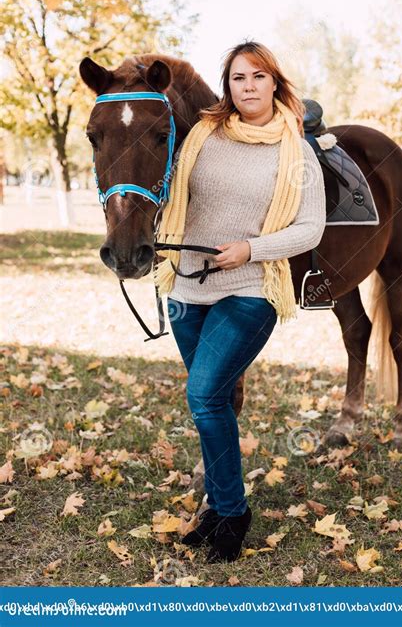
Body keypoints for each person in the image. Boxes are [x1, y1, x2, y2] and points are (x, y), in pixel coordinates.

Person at [154, 41, 326, 563]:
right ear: (226, 86)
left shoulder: (294, 152)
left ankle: (231, 511)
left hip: (251, 288)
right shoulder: (202, 136)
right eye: (237, 79)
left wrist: (252, 249)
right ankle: (218, 506)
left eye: (257, 77)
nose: (247, 87)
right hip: (185, 286)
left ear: (275, 82)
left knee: (204, 395)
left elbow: (309, 227)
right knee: (214, 404)